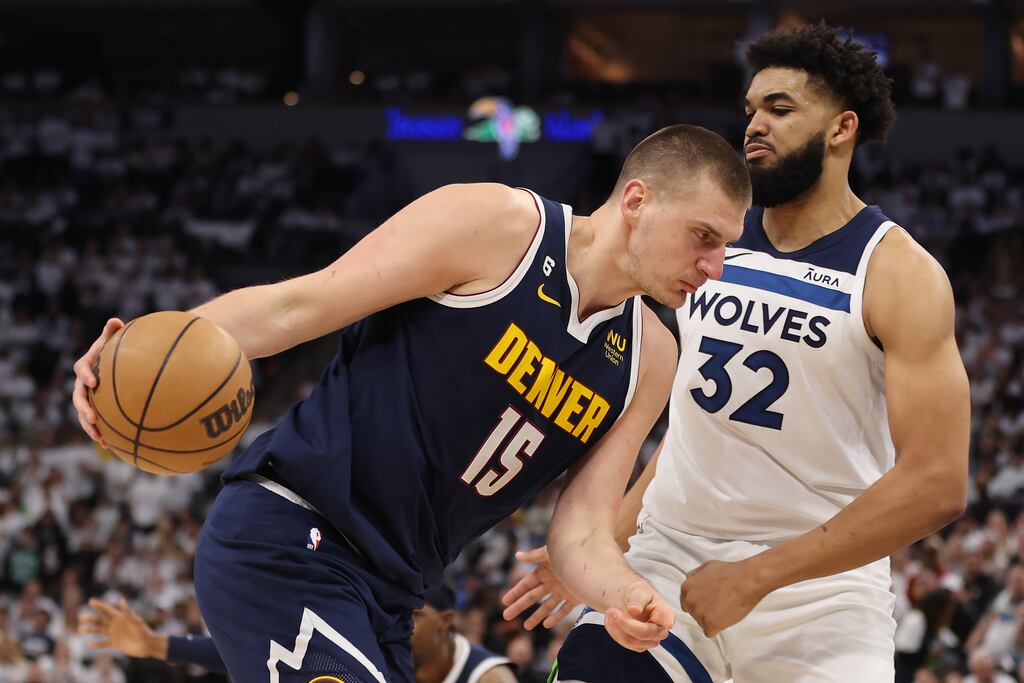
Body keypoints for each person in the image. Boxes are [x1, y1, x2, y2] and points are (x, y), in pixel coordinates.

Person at [71, 124, 751, 682]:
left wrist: (624, 592)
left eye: (726, 246)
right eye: (704, 236)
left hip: (393, 600)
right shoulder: (498, 226)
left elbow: (579, 533)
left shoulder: (651, 359)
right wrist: (138, 352)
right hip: (291, 534)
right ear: (636, 201)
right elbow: (297, 306)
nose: (715, 266)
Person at [504, 23, 970, 683]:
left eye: (780, 109)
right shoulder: (712, 241)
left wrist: (757, 575)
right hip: (671, 559)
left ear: (842, 128)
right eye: (750, 109)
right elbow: (693, 429)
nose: (754, 125)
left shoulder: (898, 273)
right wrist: (601, 546)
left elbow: (937, 482)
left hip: (821, 594)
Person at [79, 588, 519, 683]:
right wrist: (155, 645)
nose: (400, 627)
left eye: (415, 618)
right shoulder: (383, 646)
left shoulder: (488, 678)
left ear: (446, 621)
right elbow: (273, 654)